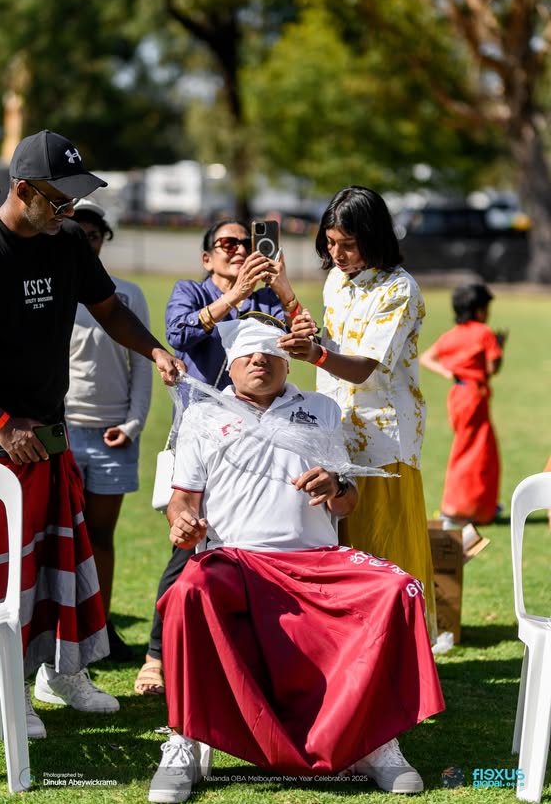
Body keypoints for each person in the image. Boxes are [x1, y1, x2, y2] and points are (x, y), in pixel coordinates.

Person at [148, 317, 444, 803]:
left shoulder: (321, 408)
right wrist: (182, 522)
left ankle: (378, 744)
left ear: (288, 362)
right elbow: (183, 499)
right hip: (234, 560)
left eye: (270, 353)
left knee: (398, 589)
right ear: (231, 364)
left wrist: (337, 485)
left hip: (316, 559)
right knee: (186, 593)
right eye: (247, 354)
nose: (259, 360)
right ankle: (185, 740)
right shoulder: (204, 414)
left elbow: (345, 501)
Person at [0, 129, 183, 740]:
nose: (69, 212)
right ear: (22, 190)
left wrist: (155, 351)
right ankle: (11, 691)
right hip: (5, 450)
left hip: (53, 440)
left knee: (62, 565)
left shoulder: (70, 241)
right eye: (57, 200)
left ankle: (63, 671)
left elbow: (109, 309)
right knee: (12, 581)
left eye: (76, 201)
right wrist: (2, 425)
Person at [135, 218, 298, 694]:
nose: (238, 249)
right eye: (226, 243)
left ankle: (249, 654)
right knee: (188, 544)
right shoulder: (191, 290)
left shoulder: (267, 297)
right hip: (203, 437)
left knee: (256, 540)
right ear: (207, 257)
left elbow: (302, 340)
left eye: (246, 243)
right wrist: (233, 297)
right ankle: (157, 656)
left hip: (263, 440)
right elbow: (181, 335)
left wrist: (282, 289)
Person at [277, 186, 437, 641]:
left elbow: (364, 368)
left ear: (374, 235)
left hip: (383, 439)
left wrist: (315, 355)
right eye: (330, 243)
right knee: (342, 551)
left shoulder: (398, 288)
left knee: (385, 554)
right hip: (335, 433)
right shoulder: (337, 281)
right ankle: (349, 653)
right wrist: (285, 292)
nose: (337, 253)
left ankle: (402, 656)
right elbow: (333, 345)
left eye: (348, 243)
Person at [65, 198, 153, 661]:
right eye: (77, 232)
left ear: (103, 239)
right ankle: (62, 633)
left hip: (113, 433)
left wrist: (134, 424)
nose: (86, 241)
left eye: (94, 234)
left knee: (101, 537)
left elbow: (143, 366)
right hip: (62, 433)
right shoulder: (54, 289)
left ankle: (101, 631)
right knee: (62, 538)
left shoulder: (127, 294)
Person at [419, 282, 506, 527]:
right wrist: (499, 349)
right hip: (475, 397)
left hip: (458, 394)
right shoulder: (483, 332)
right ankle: (462, 508)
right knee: (477, 454)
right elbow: (492, 368)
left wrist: (451, 372)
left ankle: (477, 505)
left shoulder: (452, 335)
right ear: (479, 310)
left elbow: (426, 358)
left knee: (470, 449)